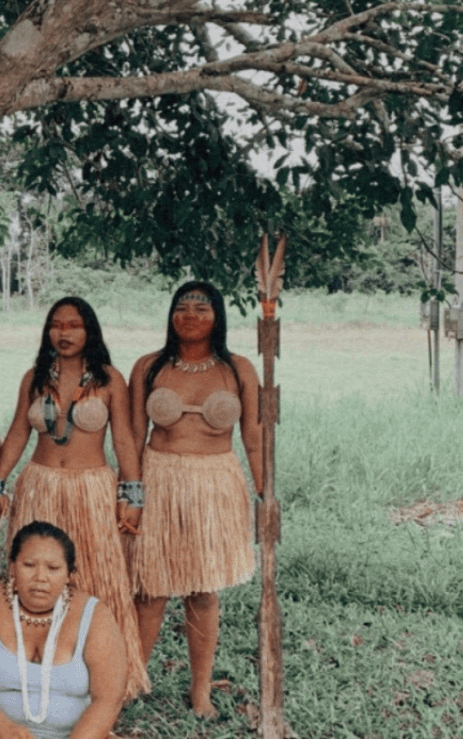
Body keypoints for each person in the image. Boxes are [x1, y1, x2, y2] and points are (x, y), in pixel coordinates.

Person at [0, 297, 148, 699]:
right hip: (39, 486)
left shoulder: (110, 379)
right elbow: (18, 436)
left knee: (94, 580)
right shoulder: (35, 378)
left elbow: (124, 439)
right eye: (56, 325)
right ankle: (35, 669)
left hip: (90, 488)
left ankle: (104, 678)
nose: (64, 332)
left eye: (74, 325)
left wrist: (132, 495)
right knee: (34, 578)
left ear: (89, 331)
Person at [128, 281, 262, 717]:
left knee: (203, 591)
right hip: (159, 476)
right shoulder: (149, 367)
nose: (189, 315)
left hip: (215, 480)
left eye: (201, 308)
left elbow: (256, 438)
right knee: (151, 589)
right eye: (181, 307)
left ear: (218, 316)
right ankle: (133, 679)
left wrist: (266, 496)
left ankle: (199, 689)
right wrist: (130, 494)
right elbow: (131, 437)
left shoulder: (238, 369)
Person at [0, 522, 125, 739]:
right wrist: (5, 730)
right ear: (12, 566)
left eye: (53, 568)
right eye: (29, 565)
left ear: (69, 574)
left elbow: (108, 698)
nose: (40, 577)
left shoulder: (95, 615)